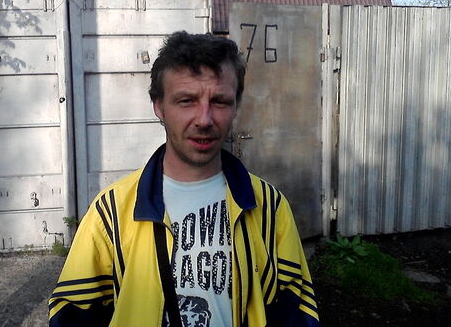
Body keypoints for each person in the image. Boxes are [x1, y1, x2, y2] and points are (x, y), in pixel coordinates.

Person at [48, 31, 320, 327]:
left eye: (220, 101)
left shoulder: (269, 208)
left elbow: (297, 313)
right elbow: (71, 314)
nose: (204, 119)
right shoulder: (111, 212)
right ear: (159, 106)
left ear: (236, 106)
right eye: (187, 101)